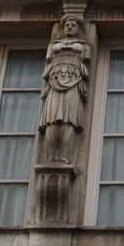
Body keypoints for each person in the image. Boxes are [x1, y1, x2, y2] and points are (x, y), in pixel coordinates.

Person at [38, 14, 91, 165]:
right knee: (52, 120)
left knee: (69, 120)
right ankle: (50, 158)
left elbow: (85, 58)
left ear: (79, 29)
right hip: (54, 81)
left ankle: (65, 157)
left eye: (73, 25)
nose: (69, 27)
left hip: (74, 82)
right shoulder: (55, 44)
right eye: (67, 24)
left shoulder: (84, 45)